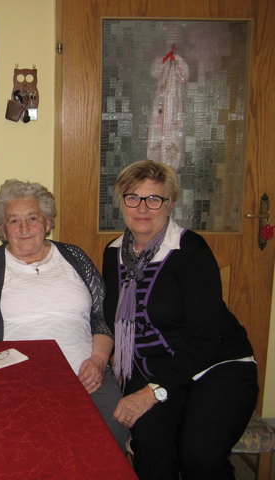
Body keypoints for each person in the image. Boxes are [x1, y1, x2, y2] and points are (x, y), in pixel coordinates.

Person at [103, 159, 257, 479]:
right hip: (156, 368)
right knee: (151, 446)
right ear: (122, 203)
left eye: (154, 199)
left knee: (198, 456)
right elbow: (113, 318)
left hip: (217, 364)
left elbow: (203, 338)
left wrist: (150, 393)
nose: (142, 208)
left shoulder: (190, 250)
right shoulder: (113, 252)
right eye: (133, 197)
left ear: (169, 204)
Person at [0, 179, 129, 451]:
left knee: (108, 436)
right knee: (30, 445)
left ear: (48, 222)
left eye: (33, 218)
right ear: (2, 229)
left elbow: (102, 316)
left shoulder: (73, 256)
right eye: (14, 221)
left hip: (87, 378)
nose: (24, 228)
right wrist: (7, 371)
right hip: (18, 383)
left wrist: (98, 361)